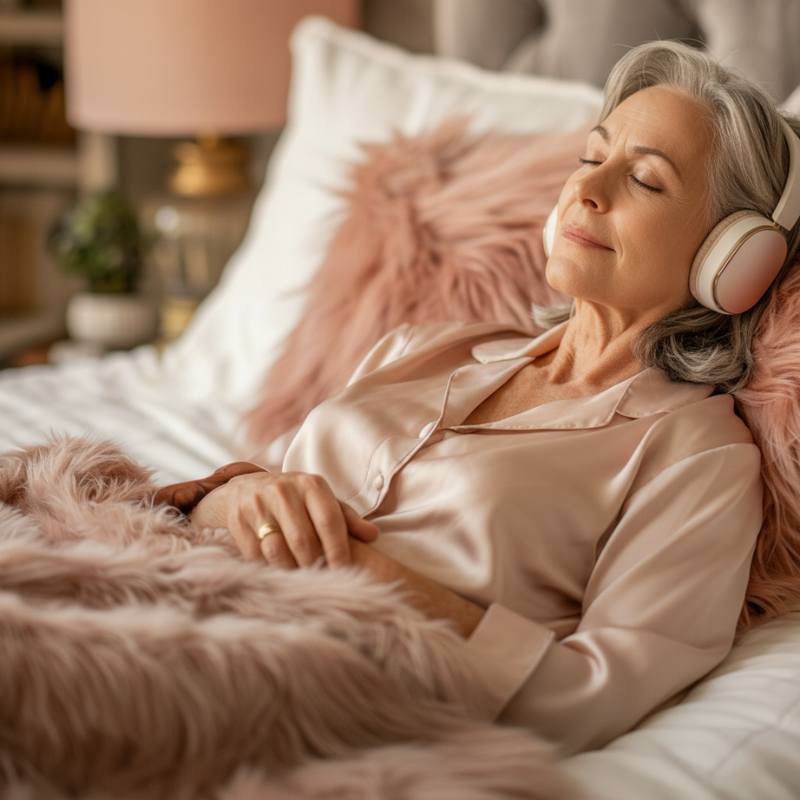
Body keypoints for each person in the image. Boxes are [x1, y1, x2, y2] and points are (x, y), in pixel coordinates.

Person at [154, 40, 800, 757]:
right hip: (172, 593)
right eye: (593, 157)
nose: (588, 190)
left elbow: (594, 694)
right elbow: (251, 491)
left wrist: (372, 577)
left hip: (291, 690)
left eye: (645, 180)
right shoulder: (427, 348)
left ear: (734, 257)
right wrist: (234, 499)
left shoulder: (697, 454)